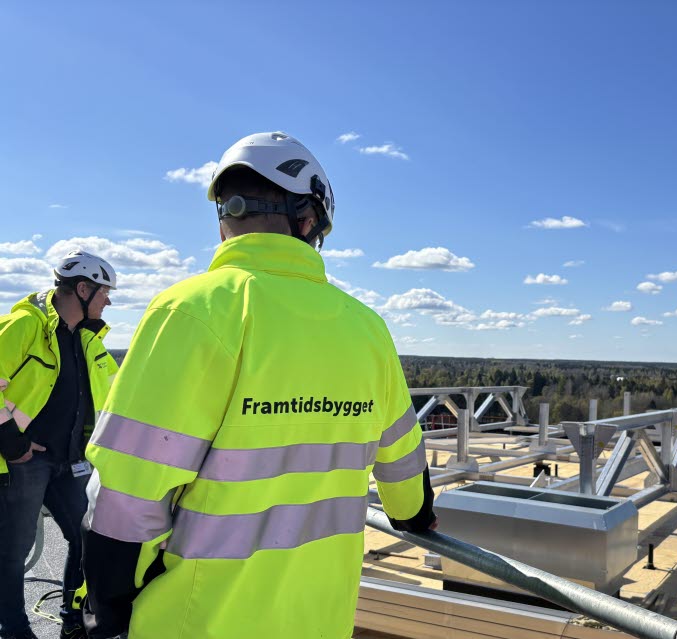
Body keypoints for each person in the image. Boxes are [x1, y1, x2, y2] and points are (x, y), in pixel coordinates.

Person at [82, 132, 436, 639]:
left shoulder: (192, 310)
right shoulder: (367, 329)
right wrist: (416, 514)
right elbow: (404, 471)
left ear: (225, 219)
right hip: (320, 618)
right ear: (310, 221)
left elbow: (128, 491)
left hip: (198, 619)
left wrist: (109, 607)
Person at [0, 251, 118, 639]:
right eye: (104, 293)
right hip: (24, 462)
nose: (108, 301)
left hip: (71, 461)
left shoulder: (87, 338)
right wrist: (12, 444)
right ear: (82, 289)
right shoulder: (25, 326)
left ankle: (72, 620)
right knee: (13, 552)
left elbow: (118, 390)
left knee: (87, 537)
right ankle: (16, 630)